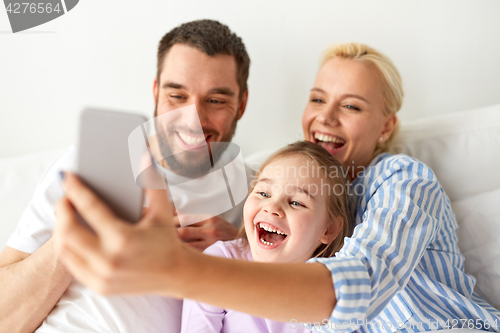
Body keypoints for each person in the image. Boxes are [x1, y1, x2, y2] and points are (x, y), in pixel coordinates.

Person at [54, 43, 500, 333]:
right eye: (318, 99)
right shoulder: (263, 192)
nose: (325, 118)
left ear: (387, 125)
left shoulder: (403, 181)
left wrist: (176, 268)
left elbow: (361, 282)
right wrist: (243, 242)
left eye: (351, 106)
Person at [0, 19, 251, 333]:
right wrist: (84, 232)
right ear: (157, 91)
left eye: (215, 101)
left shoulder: (260, 195)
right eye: (177, 96)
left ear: (241, 104)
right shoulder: (90, 163)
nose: (193, 120)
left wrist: (240, 251)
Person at [181, 141, 353, 333]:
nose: (272, 207)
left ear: (328, 229)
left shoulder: (327, 294)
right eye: (263, 193)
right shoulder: (219, 263)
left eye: (297, 202)